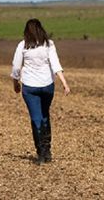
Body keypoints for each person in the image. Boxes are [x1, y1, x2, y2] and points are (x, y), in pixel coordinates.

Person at [11, 18, 71, 165]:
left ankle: (41, 154)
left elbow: (16, 67)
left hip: (30, 87)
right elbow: (56, 64)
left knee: (36, 118)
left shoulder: (23, 45)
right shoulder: (48, 44)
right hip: (47, 86)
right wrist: (64, 83)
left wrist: (15, 83)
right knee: (44, 116)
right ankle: (48, 151)